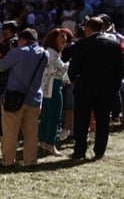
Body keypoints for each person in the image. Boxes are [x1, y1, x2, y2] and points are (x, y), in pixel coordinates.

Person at [64, 15, 124, 160]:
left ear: (88, 28)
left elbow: (74, 67)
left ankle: (80, 151)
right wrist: (114, 86)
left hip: (85, 88)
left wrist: (72, 78)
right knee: (103, 121)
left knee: (81, 120)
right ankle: (99, 151)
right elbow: (120, 69)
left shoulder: (82, 44)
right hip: (106, 90)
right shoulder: (114, 44)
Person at [0, 28, 49, 168]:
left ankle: (8, 161)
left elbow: (1, 67)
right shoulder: (45, 54)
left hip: (13, 99)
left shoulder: (17, 52)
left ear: (22, 40)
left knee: (10, 132)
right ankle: (30, 161)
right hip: (34, 98)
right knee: (31, 133)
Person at [37, 28, 72, 156]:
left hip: (48, 87)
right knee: (55, 116)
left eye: (65, 38)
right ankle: (50, 144)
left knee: (47, 115)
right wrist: (70, 64)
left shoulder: (50, 52)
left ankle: (42, 140)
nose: (64, 40)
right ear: (54, 39)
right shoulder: (51, 53)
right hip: (53, 86)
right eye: (61, 37)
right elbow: (59, 70)